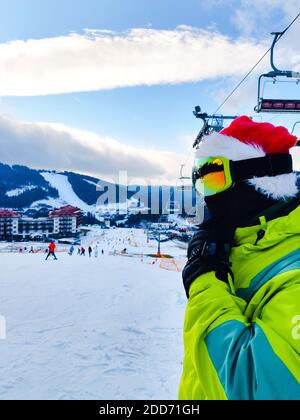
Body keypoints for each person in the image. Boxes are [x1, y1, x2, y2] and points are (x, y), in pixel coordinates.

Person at [179, 116, 300, 400]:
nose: (206, 196)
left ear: (260, 181)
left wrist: (205, 278)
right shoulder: (237, 243)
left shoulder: (293, 269)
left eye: (214, 179)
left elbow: (250, 387)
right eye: (201, 182)